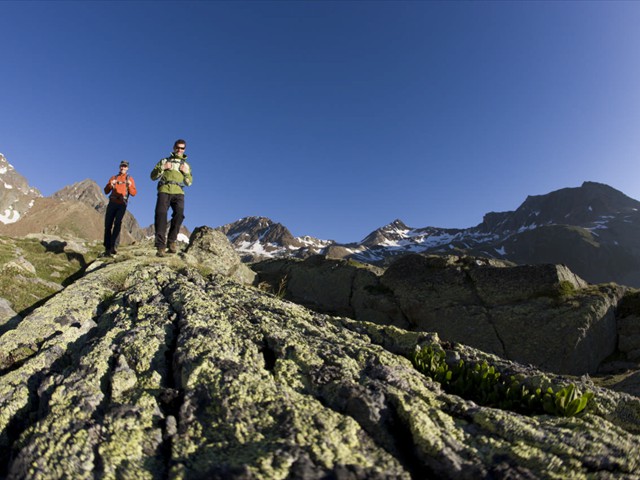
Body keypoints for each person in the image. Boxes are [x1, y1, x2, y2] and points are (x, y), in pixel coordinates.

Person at [150, 139, 193, 257]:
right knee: (161, 214)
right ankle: (160, 246)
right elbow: (152, 176)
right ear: (174, 148)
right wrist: (163, 168)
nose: (179, 150)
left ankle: (172, 241)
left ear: (184, 149)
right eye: (178, 147)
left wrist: (185, 173)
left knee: (179, 214)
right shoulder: (164, 161)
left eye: (182, 148)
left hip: (179, 192)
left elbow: (189, 183)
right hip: (164, 190)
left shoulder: (186, 165)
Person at [103, 160, 137, 256]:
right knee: (108, 225)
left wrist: (129, 186)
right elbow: (106, 191)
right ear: (119, 167)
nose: (123, 168)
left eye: (125, 166)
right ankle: (107, 247)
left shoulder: (130, 179)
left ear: (127, 168)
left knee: (118, 223)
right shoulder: (114, 178)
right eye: (122, 166)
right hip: (112, 203)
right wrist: (111, 184)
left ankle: (114, 246)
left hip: (122, 204)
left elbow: (134, 193)